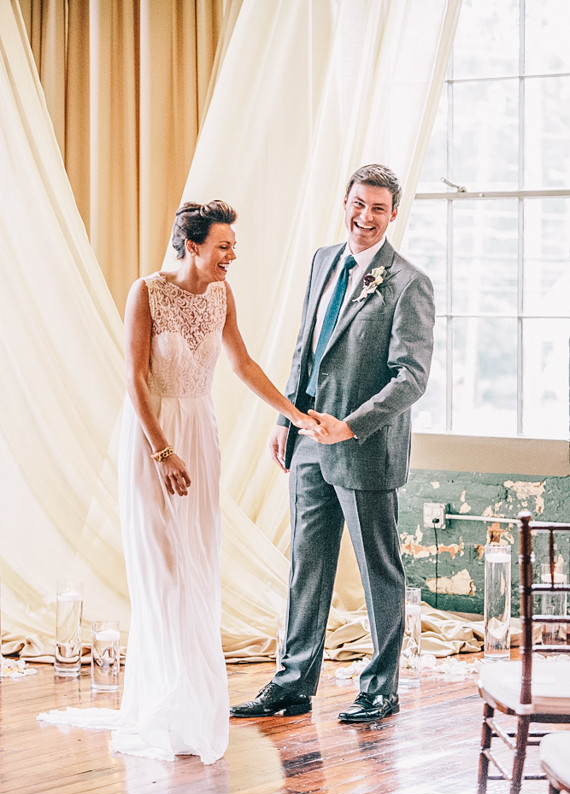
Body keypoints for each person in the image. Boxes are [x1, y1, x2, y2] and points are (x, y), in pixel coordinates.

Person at [38, 200, 318, 763]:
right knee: (162, 570)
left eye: (232, 246)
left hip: (201, 434)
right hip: (154, 436)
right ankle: (163, 703)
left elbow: (243, 365)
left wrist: (295, 416)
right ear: (192, 245)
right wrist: (161, 449)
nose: (232, 255)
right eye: (223, 246)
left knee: (197, 566)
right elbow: (134, 378)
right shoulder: (145, 292)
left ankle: (192, 707)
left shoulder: (222, 294)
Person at [230, 164, 435, 724]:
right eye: (358, 204)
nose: (365, 217)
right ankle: (292, 683)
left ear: (393, 215)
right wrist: (285, 417)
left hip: (365, 448)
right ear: (345, 203)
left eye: (378, 209)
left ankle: (381, 688)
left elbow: (411, 378)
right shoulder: (324, 260)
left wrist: (351, 425)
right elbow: (306, 347)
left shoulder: (409, 283)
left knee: (378, 569)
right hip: (307, 442)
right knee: (307, 565)